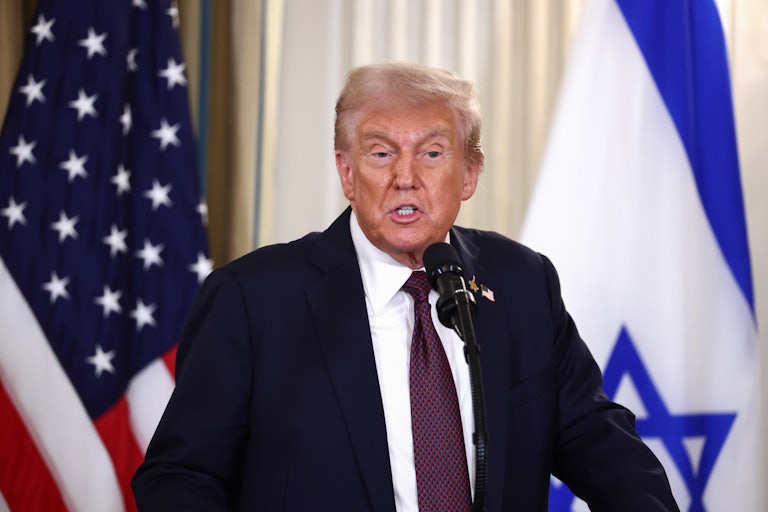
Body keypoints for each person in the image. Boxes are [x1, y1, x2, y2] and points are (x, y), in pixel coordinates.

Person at [132, 62, 678, 511]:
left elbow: (591, 435)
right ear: (347, 173)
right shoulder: (252, 299)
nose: (405, 176)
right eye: (381, 152)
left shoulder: (521, 283)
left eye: (432, 153)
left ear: (469, 174)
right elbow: (181, 478)